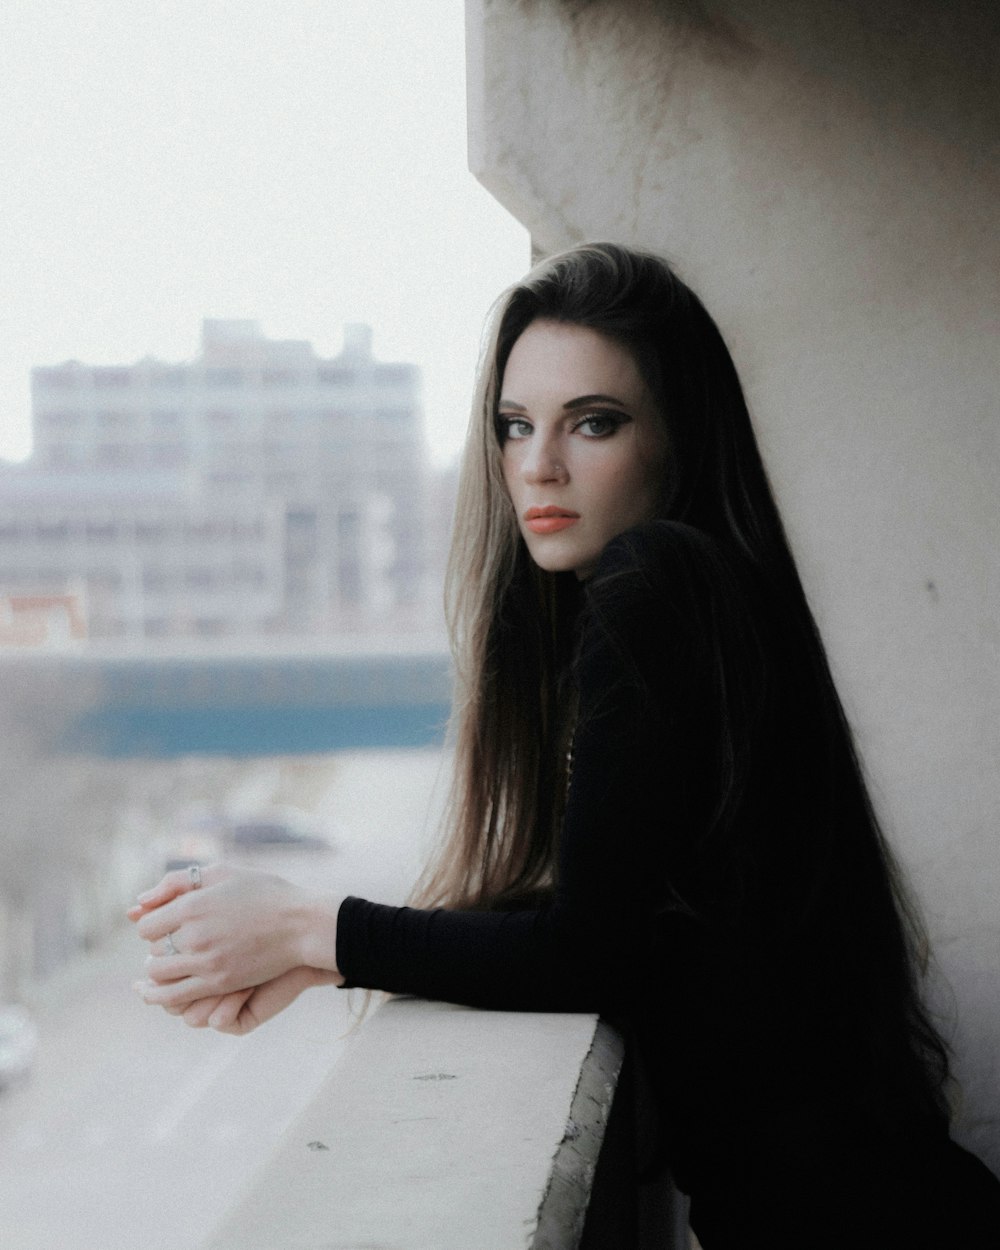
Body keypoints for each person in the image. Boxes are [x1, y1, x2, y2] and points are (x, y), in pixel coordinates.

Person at [130, 244, 1000, 1246]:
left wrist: (302, 928)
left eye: (595, 422)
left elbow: (586, 954)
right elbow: (628, 922)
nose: (538, 464)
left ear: (677, 438)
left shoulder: (655, 579)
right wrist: (325, 959)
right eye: (514, 425)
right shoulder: (718, 596)